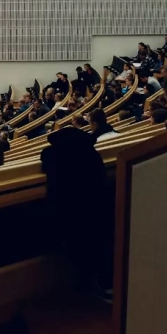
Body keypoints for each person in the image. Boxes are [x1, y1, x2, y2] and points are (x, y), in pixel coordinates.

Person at [40, 128, 114, 298]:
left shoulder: (56, 159)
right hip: (98, 212)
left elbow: (47, 156)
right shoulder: (93, 157)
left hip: (72, 218)